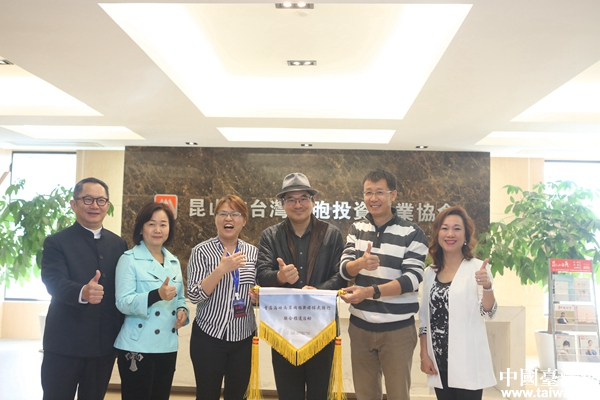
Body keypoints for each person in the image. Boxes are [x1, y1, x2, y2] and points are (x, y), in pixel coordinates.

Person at [256, 172, 347, 400]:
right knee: (288, 393)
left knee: (320, 393)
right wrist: (280, 277)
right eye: (291, 199)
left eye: (303, 198)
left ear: (313, 201)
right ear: (282, 204)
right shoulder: (270, 236)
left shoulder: (332, 234)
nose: (298, 205)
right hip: (284, 328)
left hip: (322, 327)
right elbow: (261, 275)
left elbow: (341, 276)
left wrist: (318, 291)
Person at [339, 168, 428, 400]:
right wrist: (360, 263)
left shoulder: (412, 232)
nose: (373, 198)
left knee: (398, 394)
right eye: (368, 192)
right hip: (360, 328)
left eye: (380, 192)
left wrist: (370, 291)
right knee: (365, 394)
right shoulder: (356, 229)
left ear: (393, 195)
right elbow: (344, 269)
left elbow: (412, 279)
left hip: (397, 330)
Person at [41, 177, 128, 400]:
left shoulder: (119, 244)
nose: (94, 205)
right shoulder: (56, 242)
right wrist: (82, 292)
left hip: (103, 346)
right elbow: (52, 280)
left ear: (107, 205)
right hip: (64, 344)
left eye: (101, 200)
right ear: (74, 204)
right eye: (87, 199)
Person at [418, 206, 497, 400]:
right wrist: (424, 355)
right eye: (445, 228)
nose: (450, 234)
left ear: (466, 235)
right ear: (438, 234)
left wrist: (487, 286)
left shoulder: (478, 268)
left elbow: (488, 313)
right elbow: (424, 320)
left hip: (467, 361)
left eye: (457, 229)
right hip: (438, 362)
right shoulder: (430, 272)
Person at [114, 202, 189, 400]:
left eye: (163, 224)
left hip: (167, 345)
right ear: (141, 228)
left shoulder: (173, 261)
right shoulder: (129, 259)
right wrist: (156, 295)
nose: (158, 230)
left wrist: (182, 311)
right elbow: (122, 302)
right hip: (137, 345)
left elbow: (180, 298)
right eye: (151, 224)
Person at [187, 195, 259, 400]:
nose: (229, 218)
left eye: (235, 214)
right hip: (208, 336)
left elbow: (259, 291)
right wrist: (220, 270)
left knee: (237, 395)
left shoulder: (253, 253)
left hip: (243, 337)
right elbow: (194, 295)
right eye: (223, 213)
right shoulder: (201, 251)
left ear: (244, 220)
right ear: (215, 218)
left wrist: (257, 297)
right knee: (207, 394)